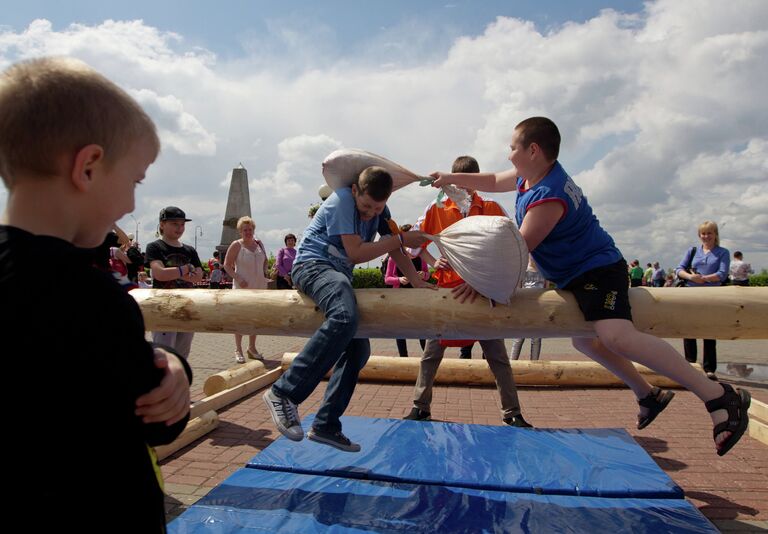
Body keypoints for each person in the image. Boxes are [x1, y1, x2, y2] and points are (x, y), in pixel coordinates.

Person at [431, 116, 750, 456]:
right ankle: (648, 395)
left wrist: (479, 283)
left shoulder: (548, 195)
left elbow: (518, 251)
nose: (509, 155)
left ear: (533, 150)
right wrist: (448, 177)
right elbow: (493, 180)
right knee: (585, 341)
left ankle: (718, 396)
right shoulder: (532, 176)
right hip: (576, 275)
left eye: (513, 148)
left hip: (598, 271)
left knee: (615, 336)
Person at [0, 56, 192, 531]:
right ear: (87, 167)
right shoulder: (91, 299)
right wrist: (176, 370)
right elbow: (158, 420)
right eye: (134, 181)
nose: (130, 204)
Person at [263, 166, 432, 452]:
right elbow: (356, 252)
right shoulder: (342, 200)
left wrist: (416, 281)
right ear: (355, 191)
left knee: (358, 350)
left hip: (337, 274)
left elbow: (393, 249)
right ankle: (283, 392)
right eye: (366, 206)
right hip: (312, 267)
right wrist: (401, 238)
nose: (370, 213)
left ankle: (326, 424)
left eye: (377, 208)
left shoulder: (380, 210)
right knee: (344, 316)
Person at [407, 155, 530, 427]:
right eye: (458, 184)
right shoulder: (435, 208)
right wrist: (431, 262)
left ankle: (512, 413)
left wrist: (481, 281)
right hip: (448, 291)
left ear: (474, 183)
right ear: (452, 180)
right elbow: (414, 245)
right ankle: (420, 407)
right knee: (431, 355)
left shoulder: (491, 207)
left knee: (496, 356)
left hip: (482, 293)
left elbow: (510, 248)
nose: (463, 190)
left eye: (468, 184)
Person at [145, 206, 204, 359]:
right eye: (174, 224)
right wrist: (186, 269)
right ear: (162, 224)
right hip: (164, 307)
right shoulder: (155, 247)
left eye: (182, 224)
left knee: (183, 355)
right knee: (164, 355)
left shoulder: (190, 250)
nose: (180, 228)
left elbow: (199, 276)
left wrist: (174, 272)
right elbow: (159, 274)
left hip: (187, 306)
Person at [676, 221, 730, 381]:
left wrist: (704, 279)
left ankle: (709, 368)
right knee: (689, 330)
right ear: (699, 235)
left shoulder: (723, 252)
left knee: (709, 331)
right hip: (691, 294)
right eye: (703, 233)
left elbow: (722, 273)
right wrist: (691, 277)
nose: (706, 236)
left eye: (709, 233)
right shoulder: (692, 251)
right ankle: (690, 364)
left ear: (715, 235)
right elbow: (679, 269)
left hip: (712, 295)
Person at [223, 216, 269, 363]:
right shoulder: (236, 245)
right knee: (240, 318)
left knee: (255, 318)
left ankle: (252, 347)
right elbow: (226, 265)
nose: (248, 232)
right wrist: (238, 278)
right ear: (240, 231)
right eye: (245, 230)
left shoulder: (259, 244)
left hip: (259, 286)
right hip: (242, 287)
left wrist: (266, 274)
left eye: (250, 229)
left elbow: (265, 260)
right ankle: (238, 349)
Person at [383, 224, 429, 357]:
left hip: (417, 297)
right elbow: (387, 279)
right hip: (400, 298)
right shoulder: (394, 258)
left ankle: (425, 356)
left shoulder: (420, 256)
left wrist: (422, 275)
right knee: (400, 329)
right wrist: (399, 280)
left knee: (421, 328)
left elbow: (427, 274)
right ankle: (403, 357)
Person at [510, 258, 547, 360]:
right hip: (524, 307)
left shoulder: (543, 271)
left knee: (536, 338)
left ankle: (535, 363)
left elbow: (546, 289)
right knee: (519, 337)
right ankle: (513, 362)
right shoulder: (523, 270)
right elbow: (518, 289)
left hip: (538, 308)